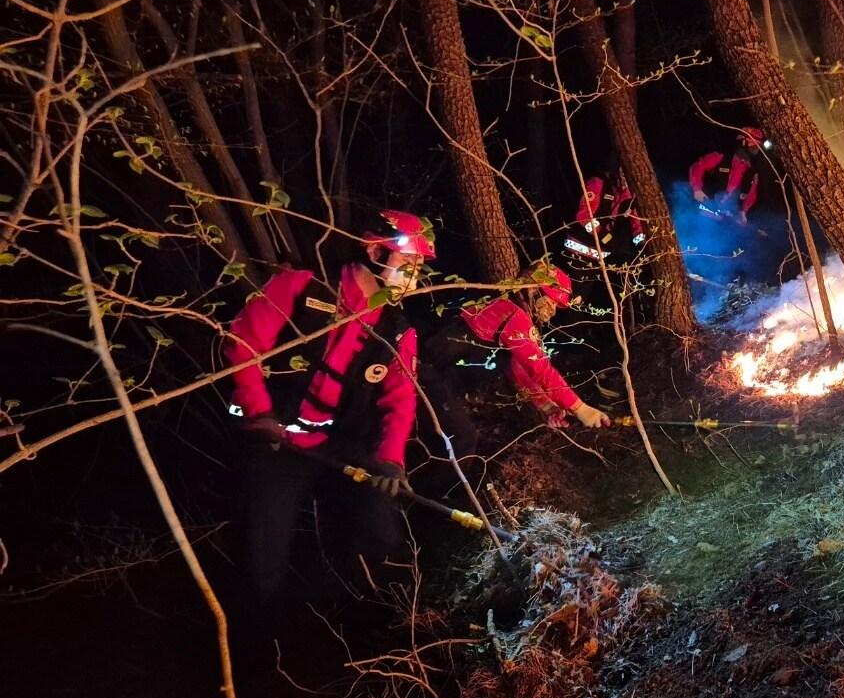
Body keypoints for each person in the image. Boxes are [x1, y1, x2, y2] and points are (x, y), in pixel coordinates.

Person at [223, 210, 433, 642]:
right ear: (375, 250)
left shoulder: (397, 330)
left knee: (378, 530)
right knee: (263, 552)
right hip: (277, 441)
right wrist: (259, 413)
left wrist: (390, 461)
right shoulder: (302, 285)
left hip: (338, 444)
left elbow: (400, 398)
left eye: (418, 269)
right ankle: (255, 650)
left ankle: (373, 632)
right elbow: (243, 342)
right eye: (407, 264)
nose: (412, 278)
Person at [459, 261, 612, 429]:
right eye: (551, 301)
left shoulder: (512, 307)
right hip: (438, 365)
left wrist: (549, 407)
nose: (552, 310)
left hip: (447, 371)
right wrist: (580, 408)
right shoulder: (514, 314)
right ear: (534, 290)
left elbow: (517, 367)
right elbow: (539, 369)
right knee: (463, 439)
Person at [688, 126, 770, 220]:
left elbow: (751, 195)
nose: (755, 148)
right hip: (702, 208)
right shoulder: (721, 157)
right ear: (743, 141)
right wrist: (697, 189)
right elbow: (698, 166)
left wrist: (743, 212)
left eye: (758, 146)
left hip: (722, 218)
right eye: (753, 144)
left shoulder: (752, 173)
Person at [575, 158, 644, 250]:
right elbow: (583, 216)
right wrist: (602, 235)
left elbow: (636, 222)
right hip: (578, 245)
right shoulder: (597, 183)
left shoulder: (628, 195)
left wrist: (641, 242)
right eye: (623, 174)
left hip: (602, 250)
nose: (625, 180)